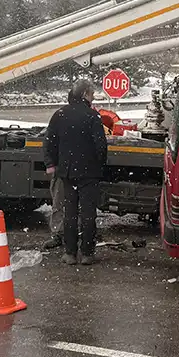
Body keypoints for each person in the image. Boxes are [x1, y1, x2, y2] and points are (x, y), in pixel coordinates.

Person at [44, 79, 108, 266]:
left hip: (67, 172)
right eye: (92, 93)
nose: (93, 97)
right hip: (89, 173)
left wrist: (52, 163)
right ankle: (87, 253)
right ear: (85, 94)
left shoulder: (60, 114)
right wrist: (99, 165)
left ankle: (70, 253)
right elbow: (101, 146)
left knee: (69, 214)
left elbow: (50, 141)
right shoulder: (92, 116)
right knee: (88, 214)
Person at [39, 88, 80, 252]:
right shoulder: (63, 116)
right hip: (68, 168)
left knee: (61, 201)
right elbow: (49, 141)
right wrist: (50, 163)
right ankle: (62, 234)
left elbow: (49, 141)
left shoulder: (61, 115)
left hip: (67, 167)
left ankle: (65, 234)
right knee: (61, 202)